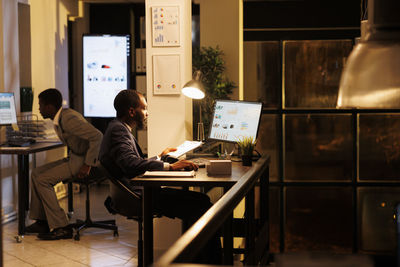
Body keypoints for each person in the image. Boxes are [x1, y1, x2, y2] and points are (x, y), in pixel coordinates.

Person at [99, 89, 221, 264]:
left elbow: (132, 162)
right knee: (202, 204)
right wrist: (170, 166)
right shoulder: (119, 130)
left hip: (137, 192)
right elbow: (131, 165)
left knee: (200, 202)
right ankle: (211, 262)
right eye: (144, 108)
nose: (147, 113)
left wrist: (159, 156)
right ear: (132, 111)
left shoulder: (118, 127)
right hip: (139, 197)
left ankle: (199, 259)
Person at [26, 88, 103, 240]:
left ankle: (62, 226)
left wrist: (87, 165)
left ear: (49, 107)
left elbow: (97, 136)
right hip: (74, 157)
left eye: (41, 105)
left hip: (82, 160)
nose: (39, 109)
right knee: (36, 173)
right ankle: (42, 221)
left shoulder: (68, 119)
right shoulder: (61, 117)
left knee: (43, 180)